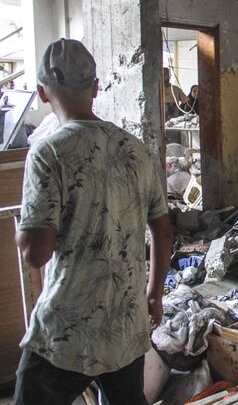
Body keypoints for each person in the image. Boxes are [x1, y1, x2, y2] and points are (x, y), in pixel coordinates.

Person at [14, 39, 173, 405]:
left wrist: (25, 230)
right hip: (126, 319)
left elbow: (36, 254)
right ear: (96, 87)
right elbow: (162, 229)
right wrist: (154, 294)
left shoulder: (48, 152)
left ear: (41, 93)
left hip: (70, 325)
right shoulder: (135, 149)